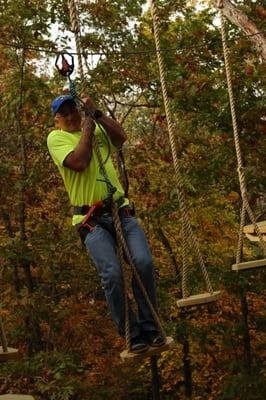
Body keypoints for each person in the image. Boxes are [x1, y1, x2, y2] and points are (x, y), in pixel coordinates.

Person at [47, 94, 165, 354]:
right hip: (91, 220)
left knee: (143, 262)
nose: (70, 116)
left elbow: (121, 137)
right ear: (57, 120)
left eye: (73, 111)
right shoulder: (56, 139)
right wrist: (88, 126)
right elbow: (79, 162)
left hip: (121, 211)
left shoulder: (96, 127)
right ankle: (131, 333)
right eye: (64, 114)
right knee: (112, 274)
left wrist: (96, 114)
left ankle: (151, 327)